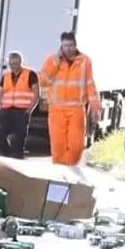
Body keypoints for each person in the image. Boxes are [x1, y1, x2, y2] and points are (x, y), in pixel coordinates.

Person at [40, 31, 100, 166]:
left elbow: (90, 84)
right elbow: (42, 82)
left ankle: (69, 167)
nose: (68, 49)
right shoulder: (52, 60)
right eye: (65, 46)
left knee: (76, 146)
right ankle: (60, 172)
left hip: (76, 109)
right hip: (56, 109)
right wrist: (55, 63)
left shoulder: (85, 61)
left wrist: (95, 107)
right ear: (61, 46)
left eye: (71, 45)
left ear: (75, 45)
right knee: (58, 146)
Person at [0, 51, 39, 159]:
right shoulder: (6, 76)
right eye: (11, 64)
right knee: (0, 134)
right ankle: (3, 156)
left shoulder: (30, 74)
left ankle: (16, 157)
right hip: (6, 110)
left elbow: (36, 93)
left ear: (20, 62)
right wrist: (0, 107)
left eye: (16, 63)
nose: (13, 66)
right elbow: (0, 93)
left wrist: (29, 110)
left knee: (18, 138)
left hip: (21, 111)